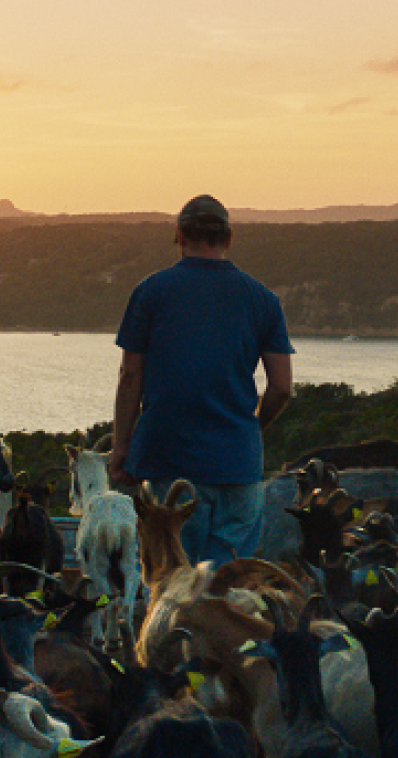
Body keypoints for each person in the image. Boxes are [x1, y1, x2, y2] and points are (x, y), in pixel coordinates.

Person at [106, 194, 294, 566]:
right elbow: (282, 388)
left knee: (173, 583)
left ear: (179, 236)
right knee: (222, 586)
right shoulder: (263, 300)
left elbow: (131, 376)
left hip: (168, 459)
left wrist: (121, 446)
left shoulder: (151, 292)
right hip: (237, 465)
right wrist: (253, 428)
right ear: (228, 238)